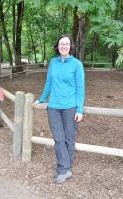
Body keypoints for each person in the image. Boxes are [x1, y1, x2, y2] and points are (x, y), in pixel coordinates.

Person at [33, 34, 85, 184]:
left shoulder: (77, 64)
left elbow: (80, 88)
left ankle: (65, 169)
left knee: (69, 139)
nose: (64, 46)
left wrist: (80, 109)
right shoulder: (53, 62)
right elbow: (48, 83)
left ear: (70, 46)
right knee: (58, 138)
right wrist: (41, 99)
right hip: (54, 107)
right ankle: (64, 170)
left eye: (67, 44)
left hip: (70, 107)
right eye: (61, 43)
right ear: (58, 46)